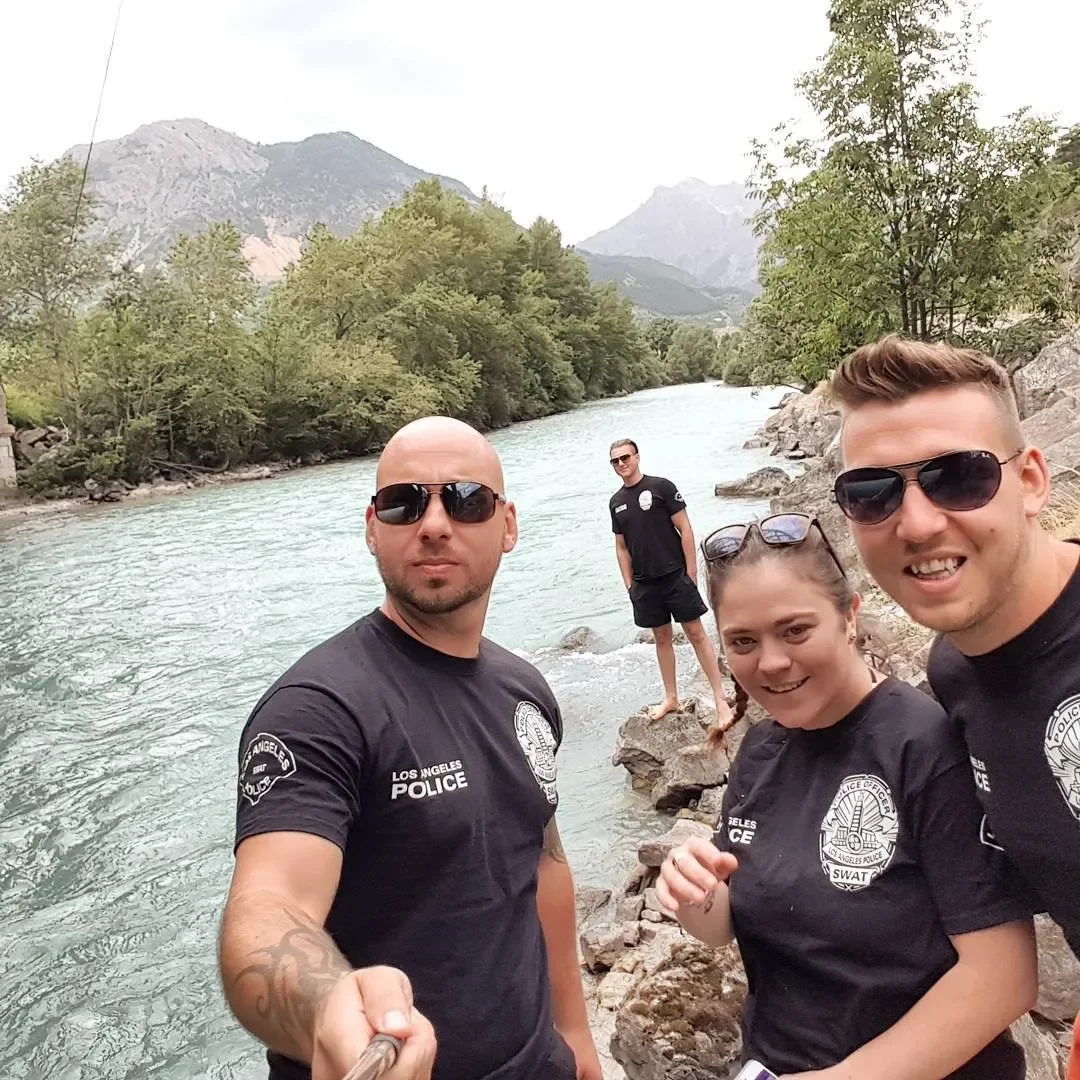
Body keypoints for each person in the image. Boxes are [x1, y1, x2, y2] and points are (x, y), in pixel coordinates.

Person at [218, 416, 602, 1080]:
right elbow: (267, 910)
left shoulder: (524, 689)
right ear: (373, 526)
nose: (432, 523)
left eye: (465, 499)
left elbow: (542, 860)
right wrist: (330, 1009)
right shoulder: (318, 710)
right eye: (404, 502)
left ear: (507, 526)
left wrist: (572, 1034)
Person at [657, 511, 1037, 1079]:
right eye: (742, 641)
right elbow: (729, 922)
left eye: (795, 630)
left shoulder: (924, 745)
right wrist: (695, 894)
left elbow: (1003, 978)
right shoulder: (760, 748)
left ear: (850, 616)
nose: (772, 662)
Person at [827, 335, 1080, 1079]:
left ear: (1031, 480)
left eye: (960, 477)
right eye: (873, 492)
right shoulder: (955, 672)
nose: (917, 523)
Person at [608, 438, 731, 728]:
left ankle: (721, 699)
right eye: (615, 461)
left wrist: (690, 572)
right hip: (644, 584)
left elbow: (685, 528)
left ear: (637, 457)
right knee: (661, 639)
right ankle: (671, 697)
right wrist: (629, 585)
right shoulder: (616, 503)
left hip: (675, 575)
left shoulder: (662, 487)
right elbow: (621, 547)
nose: (621, 464)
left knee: (696, 633)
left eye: (625, 457)